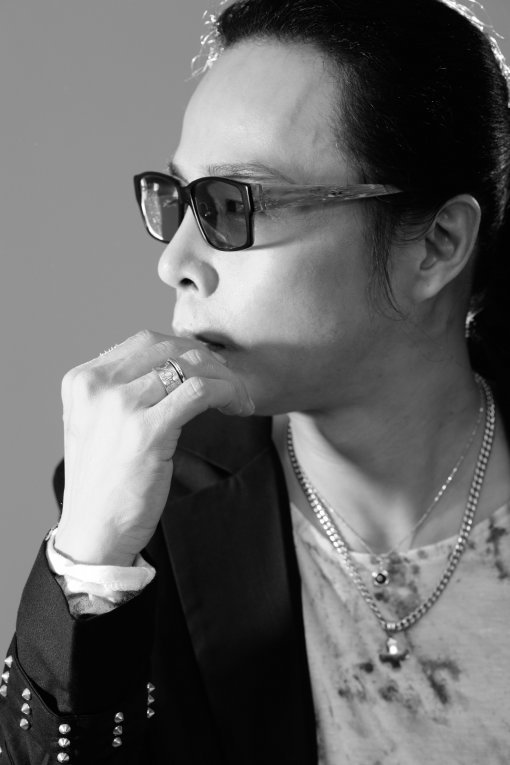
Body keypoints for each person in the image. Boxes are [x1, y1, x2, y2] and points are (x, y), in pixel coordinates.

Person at [1, 0, 510, 762]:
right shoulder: (154, 504)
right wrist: (89, 562)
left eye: (234, 204)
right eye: (179, 198)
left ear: (437, 244)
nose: (174, 262)